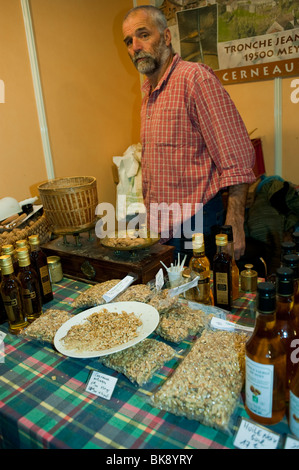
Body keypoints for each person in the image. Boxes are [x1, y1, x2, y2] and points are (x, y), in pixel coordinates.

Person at [122, 5, 256, 263]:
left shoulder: (195, 79)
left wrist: (235, 223)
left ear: (167, 37)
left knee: (203, 300)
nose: (135, 46)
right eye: (129, 41)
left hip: (198, 225)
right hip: (163, 227)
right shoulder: (149, 95)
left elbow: (236, 157)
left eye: (143, 35)